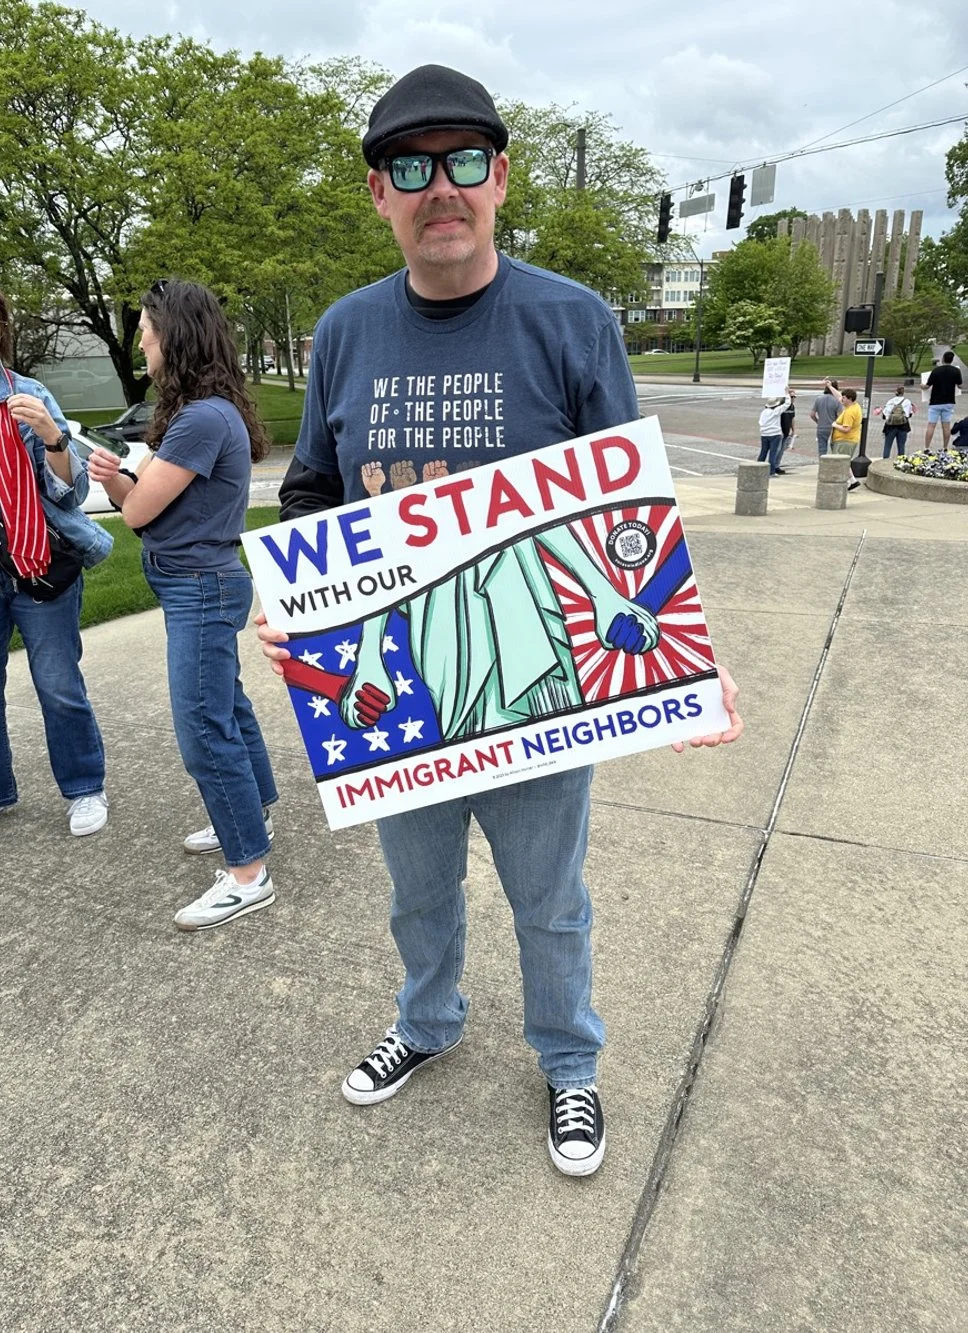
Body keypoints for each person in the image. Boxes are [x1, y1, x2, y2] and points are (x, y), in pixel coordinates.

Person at [257, 64, 744, 1178]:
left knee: (548, 901)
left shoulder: (571, 320)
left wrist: (687, 662)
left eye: (463, 161)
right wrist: (291, 603)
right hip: (399, 694)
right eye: (411, 166)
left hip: (540, 681)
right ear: (378, 193)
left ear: (500, 180)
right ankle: (427, 1025)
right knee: (416, 893)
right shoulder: (342, 332)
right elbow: (310, 491)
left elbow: (632, 519)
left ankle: (569, 1064)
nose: (442, 187)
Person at [88, 280, 279, 932]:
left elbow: (138, 509)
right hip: (206, 581)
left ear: (174, 335)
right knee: (228, 706)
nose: (141, 342)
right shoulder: (215, 409)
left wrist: (110, 475)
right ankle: (257, 814)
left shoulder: (200, 417)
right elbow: (150, 498)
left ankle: (248, 871)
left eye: (146, 331)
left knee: (204, 730)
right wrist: (118, 474)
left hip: (199, 585)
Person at [0, 275, 111, 838]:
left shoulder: (26, 395)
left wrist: (54, 437)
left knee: (57, 683)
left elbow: (70, 493)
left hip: (36, 557)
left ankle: (84, 789)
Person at [923, 350, 963, 452]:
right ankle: (945, 447)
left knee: (931, 425)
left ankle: (927, 447)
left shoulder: (936, 371)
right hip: (949, 402)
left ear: (943, 359)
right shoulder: (956, 371)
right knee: (946, 426)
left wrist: (922, 386)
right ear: (952, 360)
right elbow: (960, 385)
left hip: (935, 402)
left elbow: (927, 386)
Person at [874, 386, 915, 459]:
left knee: (887, 446)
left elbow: (884, 415)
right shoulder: (907, 402)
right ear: (903, 392)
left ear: (896, 392)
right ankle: (901, 462)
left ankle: (885, 462)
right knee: (901, 446)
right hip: (903, 426)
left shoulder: (890, 401)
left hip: (890, 426)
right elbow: (909, 414)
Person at [757, 396, 787, 475]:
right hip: (775, 434)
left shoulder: (763, 412)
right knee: (773, 453)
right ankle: (771, 471)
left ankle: (758, 468)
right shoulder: (776, 412)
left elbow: (760, 422)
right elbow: (787, 404)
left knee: (763, 452)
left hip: (764, 434)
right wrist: (787, 394)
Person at [809, 380, 840, 457]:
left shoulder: (819, 399)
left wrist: (818, 421)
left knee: (822, 450)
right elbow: (840, 416)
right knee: (835, 449)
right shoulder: (837, 401)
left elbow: (812, 414)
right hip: (833, 428)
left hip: (821, 427)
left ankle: (822, 465)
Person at [775, 388, 796, 473]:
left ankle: (777, 465)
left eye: (794, 397)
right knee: (777, 449)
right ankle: (772, 465)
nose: (793, 398)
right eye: (791, 397)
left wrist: (793, 430)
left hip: (786, 431)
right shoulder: (782, 407)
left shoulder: (792, 407)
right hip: (779, 431)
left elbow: (792, 418)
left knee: (781, 451)